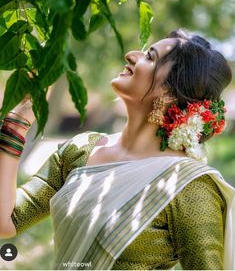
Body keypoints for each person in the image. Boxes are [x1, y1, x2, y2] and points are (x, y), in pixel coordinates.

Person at [0, 28, 235, 270]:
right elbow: (7, 221)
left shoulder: (186, 186)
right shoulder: (82, 150)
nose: (131, 55)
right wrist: (15, 127)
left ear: (170, 92)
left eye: (150, 57)